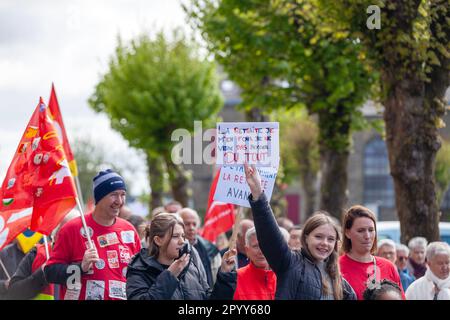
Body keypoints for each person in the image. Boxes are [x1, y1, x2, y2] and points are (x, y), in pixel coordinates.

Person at [244, 164, 356, 300]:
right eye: (319, 237)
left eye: (330, 239)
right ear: (306, 238)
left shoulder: (342, 284)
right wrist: (258, 194)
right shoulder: (291, 263)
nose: (324, 243)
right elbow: (270, 237)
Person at [44, 169, 141, 300]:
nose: (119, 201)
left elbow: (140, 274)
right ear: (99, 197)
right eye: (114, 194)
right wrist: (80, 267)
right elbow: (50, 272)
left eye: (123, 194)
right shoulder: (72, 229)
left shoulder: (128, 230)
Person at [126, 213, 236, 300]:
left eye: (183, 236)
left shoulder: (189, 265)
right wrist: (170, 276)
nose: (182, 241)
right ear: (158, 240)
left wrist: (225, 274)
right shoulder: (139, 269)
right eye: (175, 236)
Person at [5, 210, 79, 300]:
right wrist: (42, 274)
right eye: (69, 233)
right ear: (55, 234)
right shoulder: (37, 254)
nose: (75, 238)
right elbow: (13, 293)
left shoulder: (89, 260)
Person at [339, 205, 405, 300]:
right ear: (347, 233)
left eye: (371, 230)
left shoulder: (388, 267)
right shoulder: (336, 267)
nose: (367, 236)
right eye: (361, 230)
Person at [178, 208, 222, 287]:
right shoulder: (172, 249)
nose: (191, 228)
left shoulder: (211, 249)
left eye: (194, 224)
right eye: (187, 224)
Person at [233, 227, 276, 300]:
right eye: (256, 246)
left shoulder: (284, 277)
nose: (261, 251)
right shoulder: (235, 278)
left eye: (265, 245)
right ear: (247, 250)